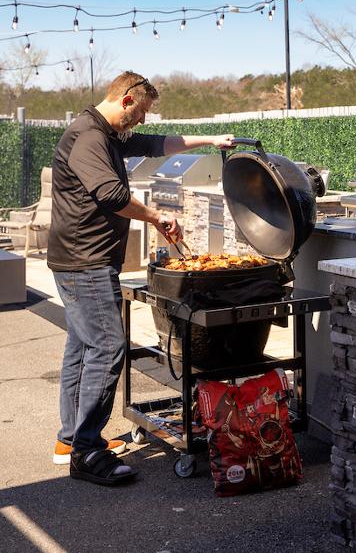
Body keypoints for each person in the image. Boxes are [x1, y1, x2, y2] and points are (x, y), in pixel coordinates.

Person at [47, 71, 235, 486]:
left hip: (86, 260)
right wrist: (157, 216)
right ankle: (87, 451)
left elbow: (158, 144)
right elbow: (111, 196)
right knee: (109, 347)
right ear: (127, 101)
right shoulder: (89, 138)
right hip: (85, 261)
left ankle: (71, 439)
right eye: (143, 112)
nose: (144, 122)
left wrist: (211, 140)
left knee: (82, 347)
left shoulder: (109, 132)